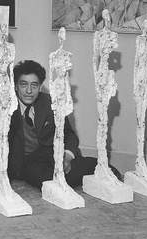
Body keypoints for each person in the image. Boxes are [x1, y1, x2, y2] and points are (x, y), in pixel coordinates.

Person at [7, 59, 120, 189]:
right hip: (25, 163)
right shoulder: (7, 107)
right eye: (23, 84)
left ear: (40, 86)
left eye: (34, 85)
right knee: (46, 179)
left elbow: (69, 134)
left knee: (98, 167)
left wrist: (67, 156)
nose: (29, 91)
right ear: (15, 86)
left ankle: (101, 169)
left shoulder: (50, 102)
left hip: (51, 154)